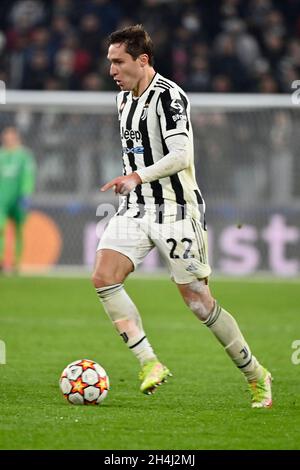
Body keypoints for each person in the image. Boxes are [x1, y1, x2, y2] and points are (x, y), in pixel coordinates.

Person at [93, 24, 272, 408]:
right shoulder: (122, 99)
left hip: (176, 210)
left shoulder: (170, 97)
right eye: (110, 62)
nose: (112, 71)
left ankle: (257, 374)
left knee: (198, 301)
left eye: (118, 62)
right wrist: (134, 181)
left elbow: (181, 156)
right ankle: (149, 362)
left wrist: (137, 175)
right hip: (136, 208)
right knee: (104, 278)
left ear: (142, 60)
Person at [0, 127, 35, 272]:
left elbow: (28, 175)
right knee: (0, 228)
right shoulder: (1, 155)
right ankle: (1, 262)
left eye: (10, 136)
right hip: (2, 199)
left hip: (18, 198)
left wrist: (26, 194)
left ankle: (16, 263)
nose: (7, 139)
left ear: (16, 137)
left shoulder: (24, 156)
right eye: (5, 136)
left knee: (18, 230)